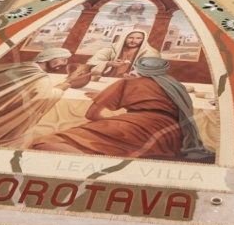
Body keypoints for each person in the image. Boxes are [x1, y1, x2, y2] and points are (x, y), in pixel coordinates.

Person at [30, 56, 214, 162]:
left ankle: (98, 167)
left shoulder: (128, 82)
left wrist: (115, 120)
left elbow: (92, 113)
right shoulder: (175, 86)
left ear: (136, 69)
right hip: (171, 137)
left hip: (132, 127)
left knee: (43, 143)